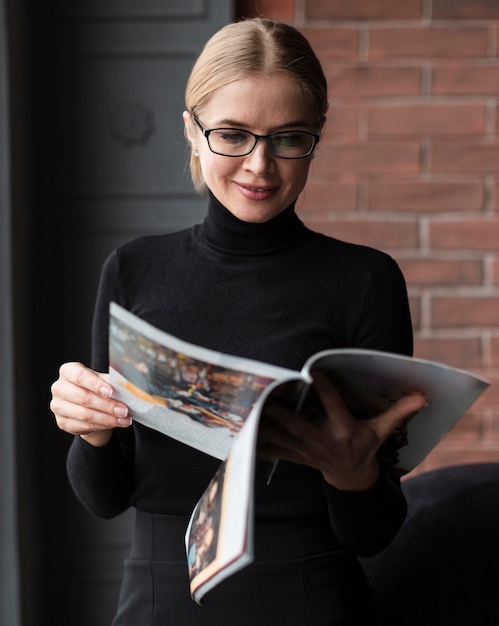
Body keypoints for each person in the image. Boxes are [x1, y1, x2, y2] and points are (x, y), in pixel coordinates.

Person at [50, 18, 426, 626]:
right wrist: (89, 432)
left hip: (313, 601)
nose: (260, 165)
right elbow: (105, 497)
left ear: (317, 137)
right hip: (159, 604)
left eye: (288, 137)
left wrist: (353, 475)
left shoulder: (365, 282)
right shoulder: (134, 270)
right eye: (232, 135)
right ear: (191, 133)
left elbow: (375, 531)